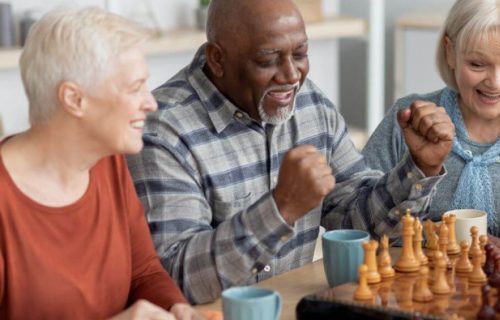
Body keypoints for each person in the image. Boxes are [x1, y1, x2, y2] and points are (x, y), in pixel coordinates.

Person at [126, 0, 454, 304]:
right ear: (217, 59)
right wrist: (280, 208)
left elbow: (360, 220)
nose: (292, 75)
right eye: (268, 60)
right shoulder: (162, 130)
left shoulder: (309, 103)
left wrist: (418, 168)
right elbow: (174, 281)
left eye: (300, 54)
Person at [0, 7, 200, 319]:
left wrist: (175, 307)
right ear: (74, 99)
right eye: (135, 88)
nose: (151, 103)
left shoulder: (107, 162)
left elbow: (143, 273)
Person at [362, 0, 500, 258]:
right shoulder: (409, 119)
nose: (495, 82)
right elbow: (357, 223)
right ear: (450, 52)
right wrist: (443, 235)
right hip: (421, 292)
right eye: (477, 65)